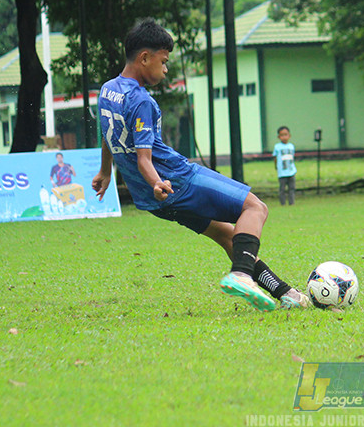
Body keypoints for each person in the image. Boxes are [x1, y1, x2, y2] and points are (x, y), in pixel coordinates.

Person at [91, 19, 309, 312]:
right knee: (255, 208)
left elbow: (108, 133)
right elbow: (144, 158)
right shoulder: (141, 99)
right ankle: (242, 275)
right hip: (175, 180)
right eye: (163, 61)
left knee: (227, 235)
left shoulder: (106, 91)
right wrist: (157, 181)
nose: (166, 69)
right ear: (144, 58)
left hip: (156, 201)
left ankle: (286, 293)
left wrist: (106, 171)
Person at [272, 126, 297, 206]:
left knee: (292, 188)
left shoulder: (291, 146)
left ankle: (291, 202)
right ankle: (282, 203)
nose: (284, 137)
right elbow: (275, 158)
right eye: (282, 135)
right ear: (279, 137)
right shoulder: (277, 147)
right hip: (282, 172)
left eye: (286, 135)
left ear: (289, 135)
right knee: (282, 189)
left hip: (291, 171)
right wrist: (276, 166)